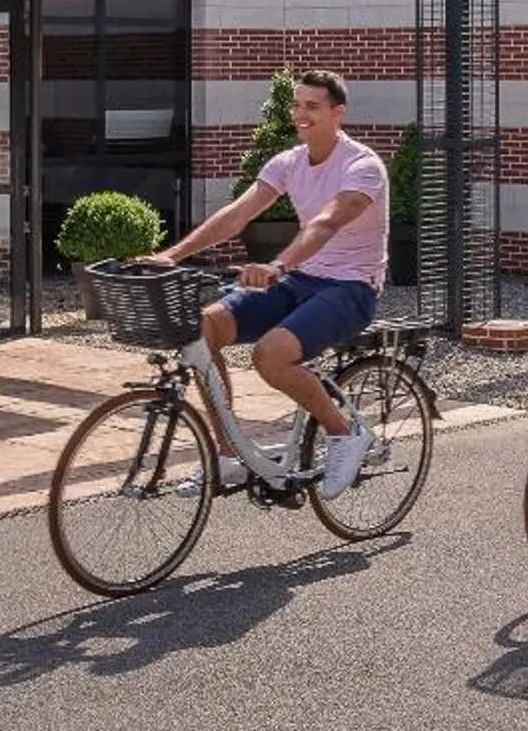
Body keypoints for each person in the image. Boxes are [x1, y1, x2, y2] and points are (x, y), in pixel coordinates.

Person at [149, 68, 388, 499]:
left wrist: (278, 264)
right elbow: (237, 215)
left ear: (338, 113)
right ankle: (226, 455)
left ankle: (343, 433)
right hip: (300, 279)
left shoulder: (362, 166)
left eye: (312, 107)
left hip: (350, 288)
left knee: (271, 355)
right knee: (203, 327)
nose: (301, 114)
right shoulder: (289, 162)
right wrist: (170, 256)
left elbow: (327, 222)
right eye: (296, 105)